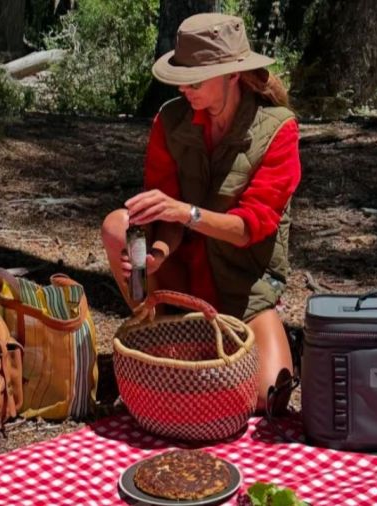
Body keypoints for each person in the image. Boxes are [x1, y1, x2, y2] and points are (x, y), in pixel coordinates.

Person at [101, 13, 301, 413]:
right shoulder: (171, 122)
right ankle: (163, 332)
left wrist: (187, 212)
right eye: (180, 78)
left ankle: (225, 347)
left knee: (265, 399)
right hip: (186, 280)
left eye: (195, 81)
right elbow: (165, 217)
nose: (184, 89)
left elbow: (248, 229)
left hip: (244, 289)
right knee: (117, 226)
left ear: (232, 76)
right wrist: (156, 253)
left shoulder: (278, 130)